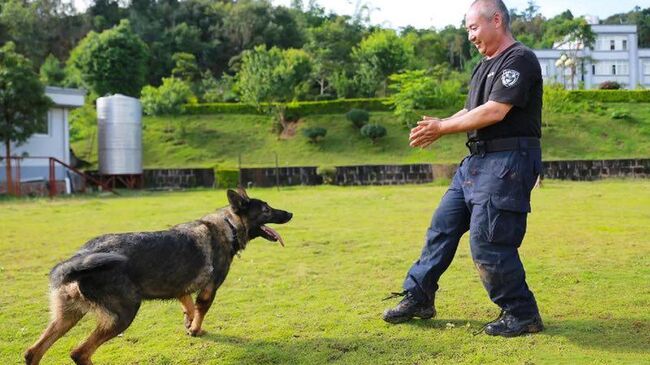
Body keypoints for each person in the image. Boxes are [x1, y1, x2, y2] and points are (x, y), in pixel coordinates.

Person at [382, 0, 544, 337]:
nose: (469, 35)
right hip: (476, 161)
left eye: (473, 27)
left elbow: (495, 112)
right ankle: (419, 295)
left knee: (489, 241)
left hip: (506, 162)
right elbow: (473, 108)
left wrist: (443, 127)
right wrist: (442, 126)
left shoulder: (519, 59)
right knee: (442, 227)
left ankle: (522, 313)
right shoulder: (485, 65)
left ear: (496, 20)